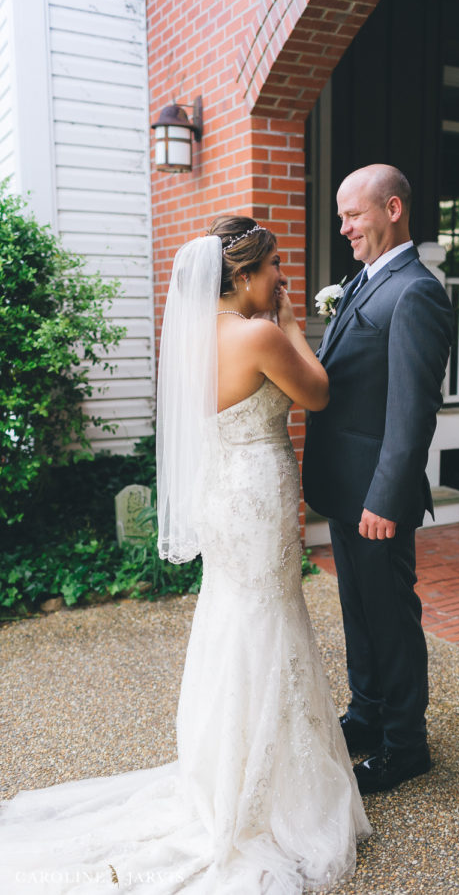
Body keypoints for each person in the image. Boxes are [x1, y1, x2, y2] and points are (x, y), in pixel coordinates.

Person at [0, 217, 371, 894]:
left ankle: (225, 771)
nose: (282, 279)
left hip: (221, 496)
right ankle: (268, 793)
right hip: (256, 491)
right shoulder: (259, 333)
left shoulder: (194, 340)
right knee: (268, 621)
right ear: (243, 276)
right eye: (274, 269)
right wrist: (292, 324)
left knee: (234, 617)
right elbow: (316, 393)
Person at [303, 165, 454, 795]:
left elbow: (412, 409)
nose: (343, 228)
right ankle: (367, 715)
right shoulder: (361, 282)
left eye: (353, 215)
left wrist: (386, 498)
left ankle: (405, 745)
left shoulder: (416, 291)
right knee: (358, 611)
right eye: (341, 216)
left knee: (390, 617)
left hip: (376, 497)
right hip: (345, 489)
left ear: (393, 208)